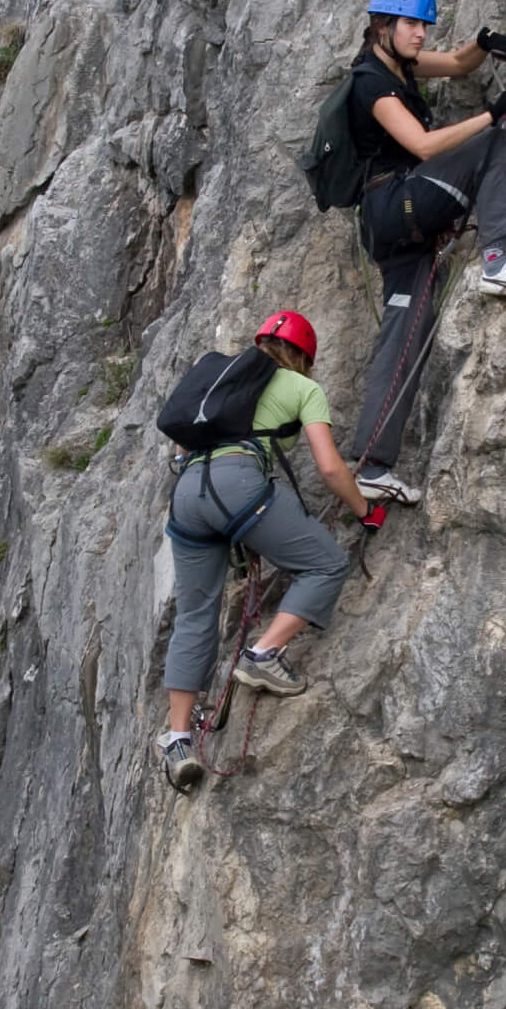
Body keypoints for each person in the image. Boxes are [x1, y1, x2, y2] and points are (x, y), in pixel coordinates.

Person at [347, 0, 506, 508]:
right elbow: (420, 144)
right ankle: (496, 262)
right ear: (383, 27)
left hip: (390, 227)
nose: (420, 34)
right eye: (411, 25)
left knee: (404, 332)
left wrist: (483, 43)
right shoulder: (371, 84)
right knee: (493, 144)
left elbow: (460, 65)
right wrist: (493, 113)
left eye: (424, 25)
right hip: (398, 203)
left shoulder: (399, 65)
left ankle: (372, 467)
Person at [159, 310, 376, 791]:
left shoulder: (220, 378)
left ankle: (177, 740)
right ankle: (263, 654)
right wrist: (364, 510)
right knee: (325, 563)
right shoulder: (302, 388)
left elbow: (179, 449)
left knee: (195, 614)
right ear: (303, 356)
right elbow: (330, 469)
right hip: (238, 486)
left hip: (188, 494)